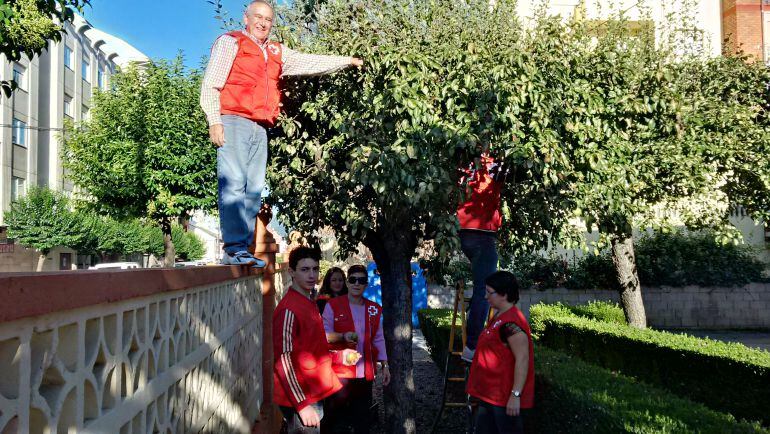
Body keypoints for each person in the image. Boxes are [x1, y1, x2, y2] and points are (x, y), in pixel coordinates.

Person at [201, 0, 363, 266]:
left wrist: (347, 61)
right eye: (258, 17)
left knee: (253, 189)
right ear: (246, 18)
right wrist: (214, 121)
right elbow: (211, 84)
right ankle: (232, 248)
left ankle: (242, 248)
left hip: (260, 126)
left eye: (268, 20)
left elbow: (310, 62)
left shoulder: (276, 51)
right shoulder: (231, 42)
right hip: (233, 120)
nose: (263, 23)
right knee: (233, 184)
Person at [273, 246, 361, 433]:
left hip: (313, 390)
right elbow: (283, 360)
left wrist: (339, 357)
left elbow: (313, 349)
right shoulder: (288, 309)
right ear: (291, 272)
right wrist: (302, 404)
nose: (311, 275)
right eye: (304, 269)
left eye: (314, 269)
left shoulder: (309, 302)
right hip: (301, 397)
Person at [321, 265, 390, 434]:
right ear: (347, 282)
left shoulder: (374, 309)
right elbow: (322, 335)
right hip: (339, 373)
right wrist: (342, 336)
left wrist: (385, 366)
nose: (357, 283)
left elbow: (379, 338)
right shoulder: (333, 305)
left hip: (364, 374)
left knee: (362, 420)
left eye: (362, 280)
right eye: (353, 279)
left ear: (366, 284)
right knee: (334, 419)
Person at [466, 271, 534, 434]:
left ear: (503, 294)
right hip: (490, 396)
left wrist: (515, 395)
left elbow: (523, 359)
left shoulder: (511, 324)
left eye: (489, 292)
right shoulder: (499, 316)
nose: (485, 297)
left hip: (504, 400)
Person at [457, 154, 507, 362]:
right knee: (486, 289)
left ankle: (474, 324)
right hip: (483, 233)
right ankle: (472, 345)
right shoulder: (494, 164)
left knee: (481, 287)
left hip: (464, 232)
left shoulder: (463, 163)